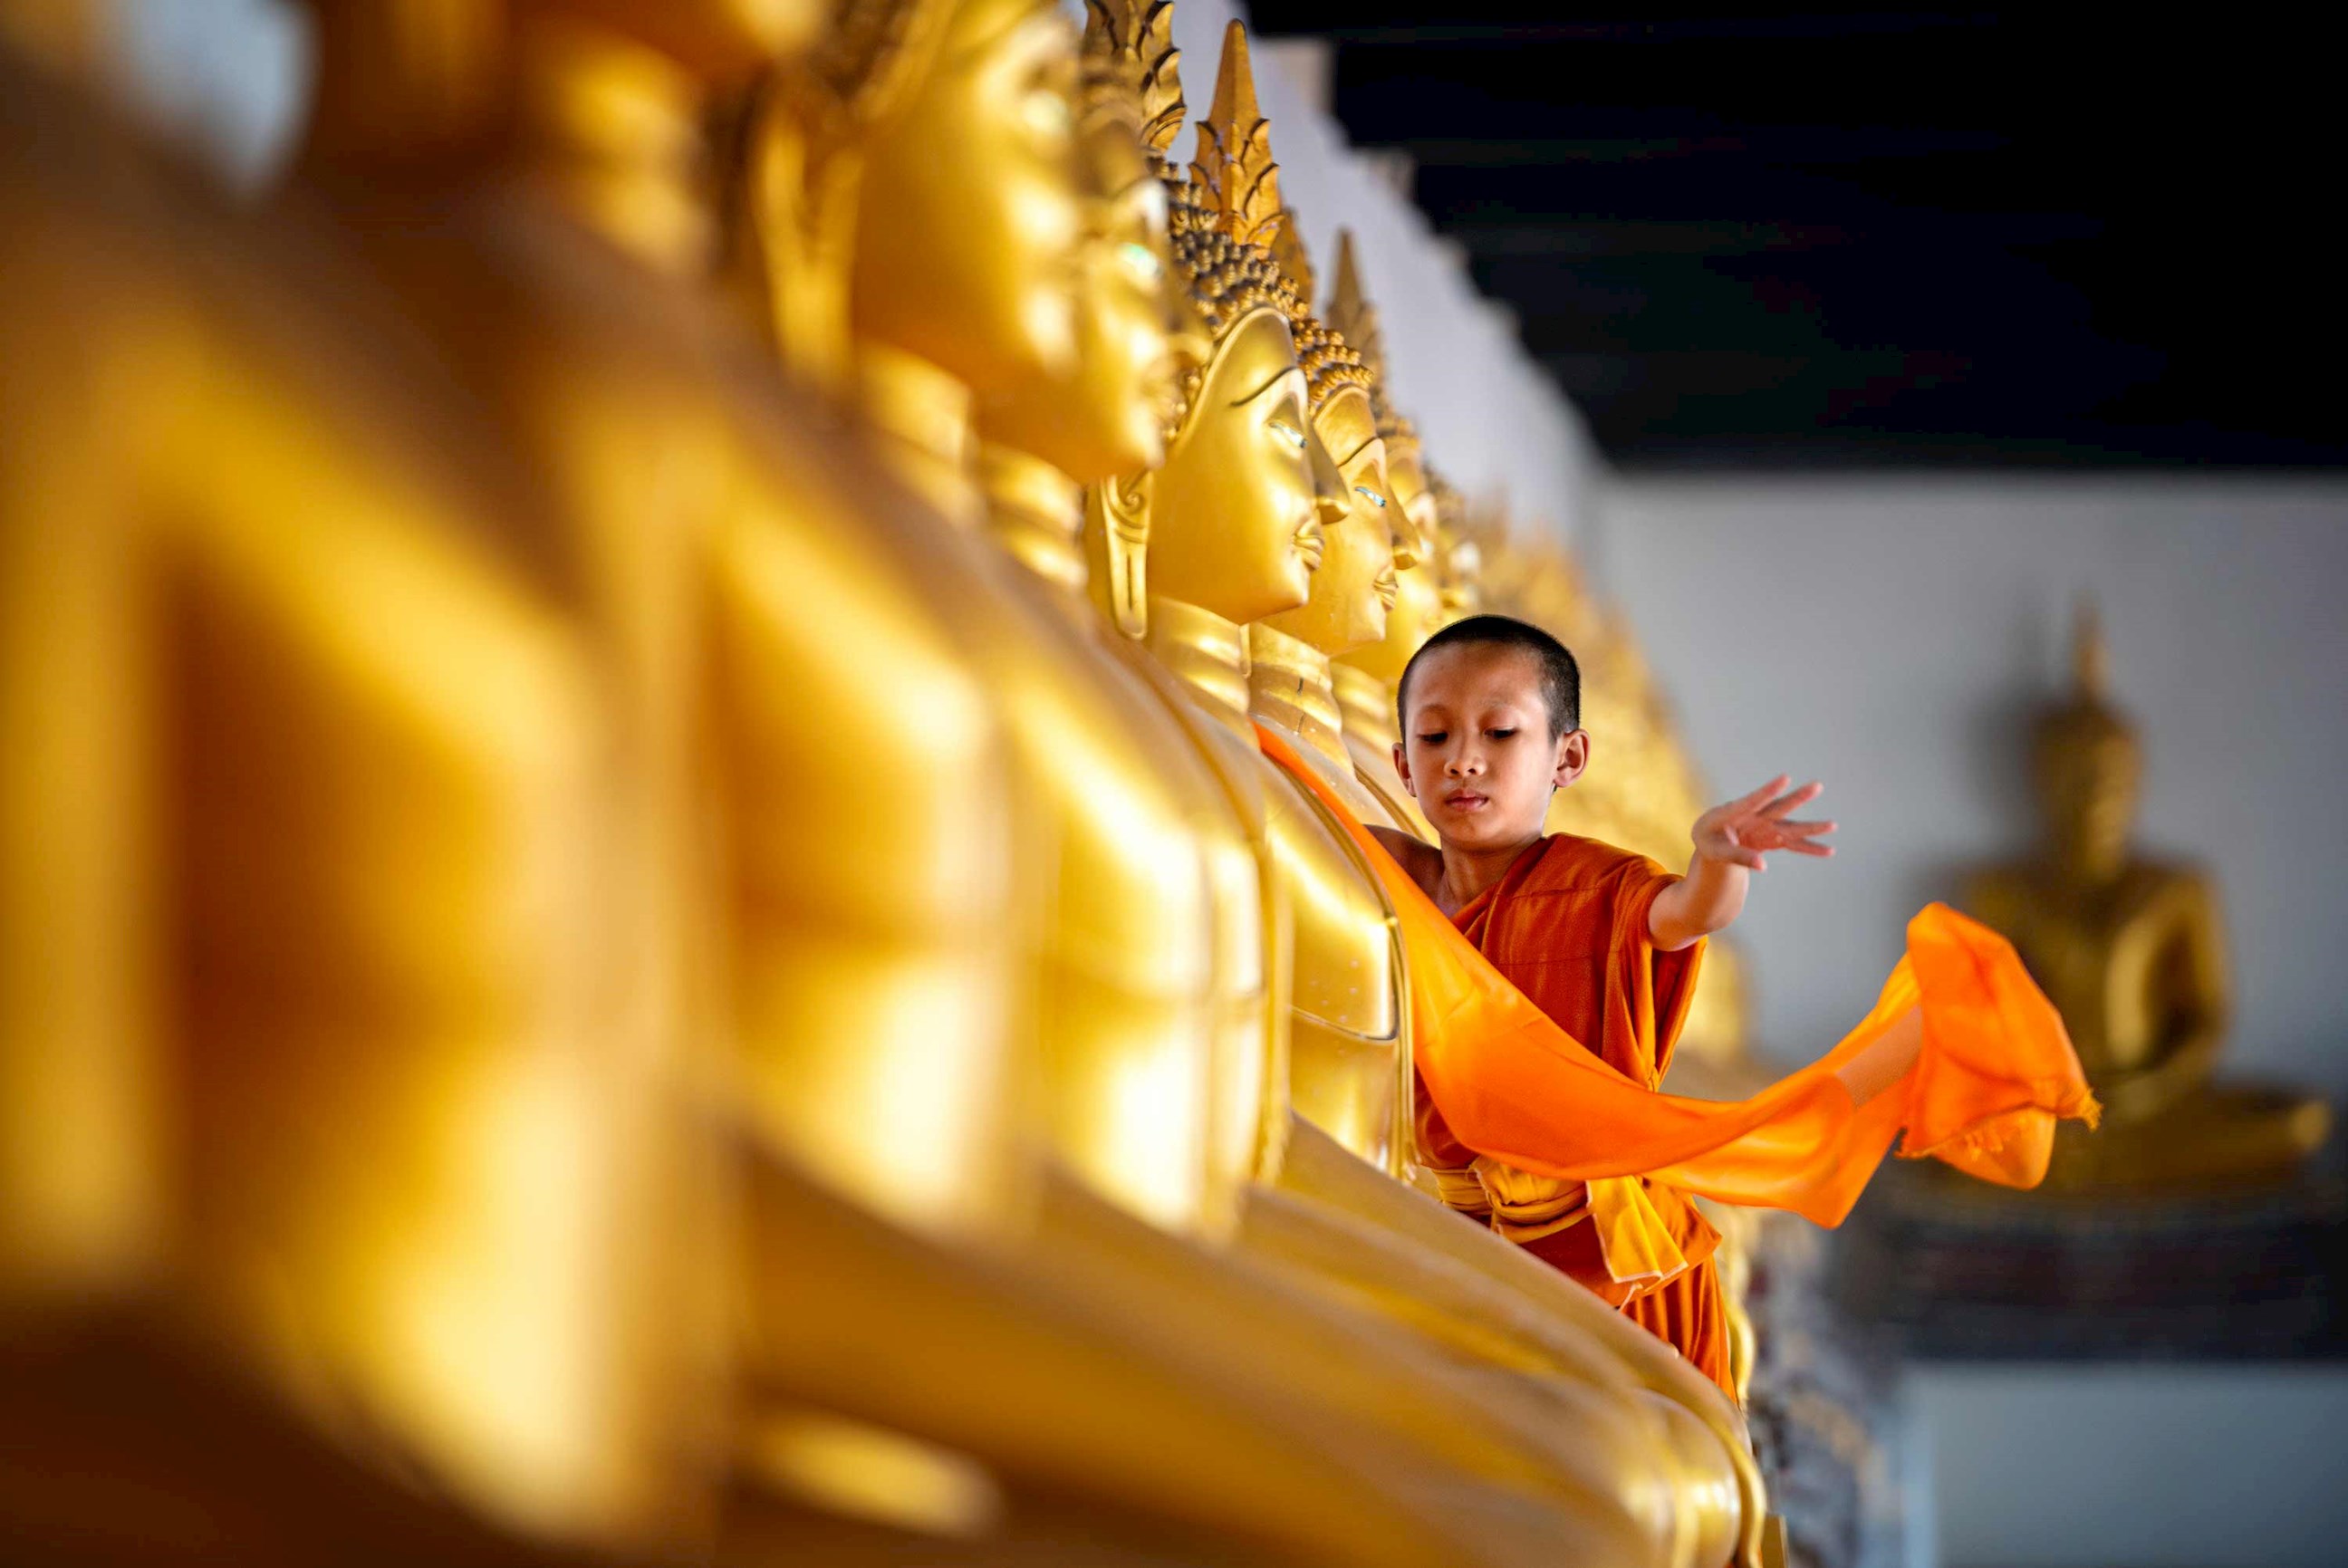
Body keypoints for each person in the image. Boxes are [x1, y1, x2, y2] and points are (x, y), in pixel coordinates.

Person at [1253, 614, 2098, 1398]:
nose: (1463, 759)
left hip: (1608, 1258)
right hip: (1450, 1230)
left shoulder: (1595, 885)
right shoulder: (1384, 874)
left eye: (1500, 732)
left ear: (1568, 758)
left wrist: (1718, 861)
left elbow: (1686, 914)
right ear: (1402, 765)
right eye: (1434, 736)